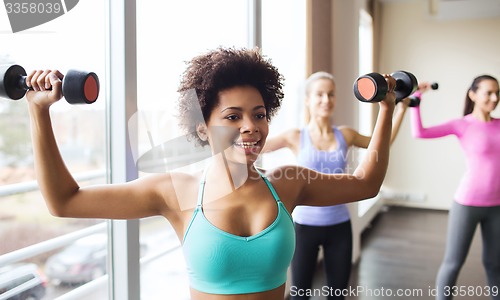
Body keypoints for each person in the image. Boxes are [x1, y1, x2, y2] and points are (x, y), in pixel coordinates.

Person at [25, 47, 396, 300]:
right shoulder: (175, 191)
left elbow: (366, 183)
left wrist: (388, 108)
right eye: (233, 116)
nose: (251, 126)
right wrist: (39, 112)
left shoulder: (289, 183)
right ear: (203, 127)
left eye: (260, 114)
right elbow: (65, 201)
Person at [262, 71, 409, 300]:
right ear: (308, 100)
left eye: (331, 95)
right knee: (300, 295)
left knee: (338, 295)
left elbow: (383, 142)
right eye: (319, 94)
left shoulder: (346, 134)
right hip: (303, 227)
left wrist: (399, 109)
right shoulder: (294, 136)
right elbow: (252, 148)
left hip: (339, 225)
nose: (326, 100)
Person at [409, 76, 500, 300]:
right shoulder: (462, 125)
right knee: (453, 263)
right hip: (467, 204)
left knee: (494, 265)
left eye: (497, 93)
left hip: (497, 206)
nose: (495, 98)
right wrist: (416, 98)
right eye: (488, 93)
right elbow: (420, 132)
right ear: (473, 94)